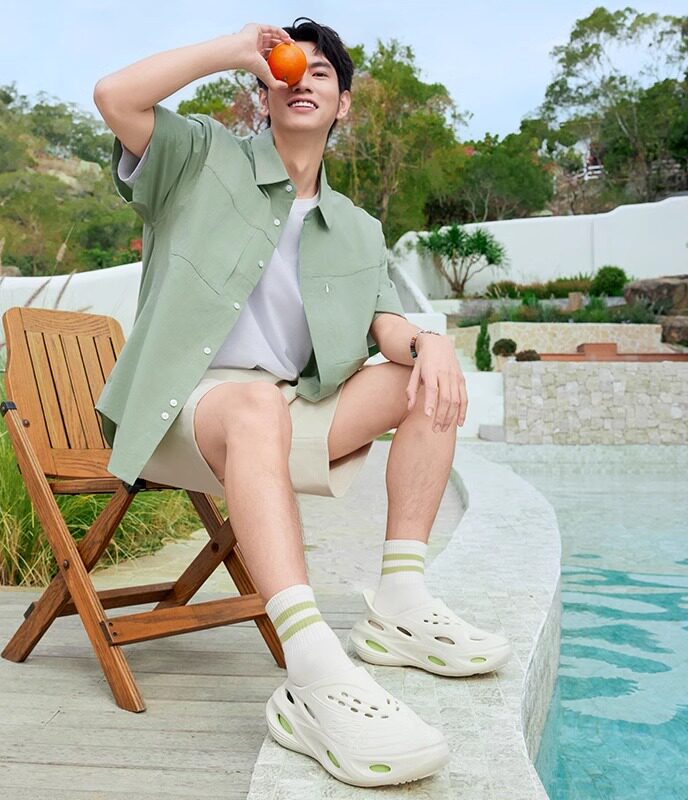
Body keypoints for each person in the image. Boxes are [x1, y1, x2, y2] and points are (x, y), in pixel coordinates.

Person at [93, 17, 511, 789]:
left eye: (323, 73)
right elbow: (115, 95)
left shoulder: (357, 227)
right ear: (264, 93)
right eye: (290, 70)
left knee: (428, 381)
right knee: (256, 404)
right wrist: (232, 50)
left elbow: (386, 325)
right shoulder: (199, 157)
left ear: (343, 104)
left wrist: (431, 344)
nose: (303, 80)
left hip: (282, 411)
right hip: (183, 413)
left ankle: (401, 601)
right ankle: (312, 670)